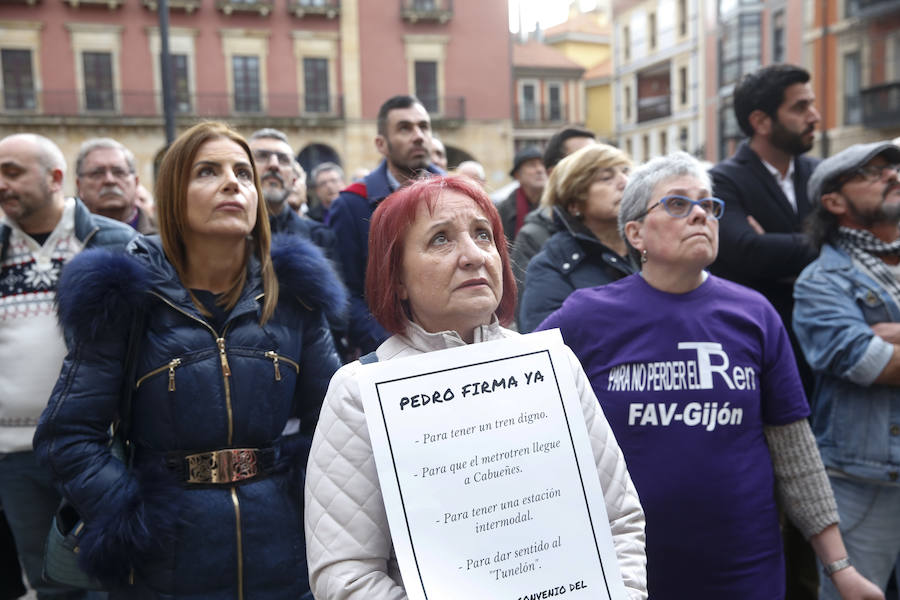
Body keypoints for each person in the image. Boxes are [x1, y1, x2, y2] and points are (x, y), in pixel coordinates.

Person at [537, 151, 883, 600]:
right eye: (678, 204)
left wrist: (841, 568)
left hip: (744, 564)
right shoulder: (588, 315)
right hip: (629, 568)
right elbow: (520, 396)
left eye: (707, 204)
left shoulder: (754, 313)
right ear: (635, 232)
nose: (700, 213)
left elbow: (795, 451)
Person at [33, 122, 345, 599]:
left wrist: (300, 499)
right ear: (172, 196)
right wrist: (132, 514)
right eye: (207, 171)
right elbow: (67, 437)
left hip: (283, 553)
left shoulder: (295, 296)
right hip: (170, 561)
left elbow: (337, 424)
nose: (232, 182)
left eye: (244, 173)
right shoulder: (124, 296)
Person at [304, 175, 647, 599]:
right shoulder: (359, 393)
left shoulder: (554, 368)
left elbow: (620, 520)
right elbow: (346, 574)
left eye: (483, 235)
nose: (473, 256)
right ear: (396, 279)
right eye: (441, 240)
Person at [0, 133, 136, 599]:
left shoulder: (111, 241)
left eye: (12, 171)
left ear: (55, 178)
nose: (2, 184)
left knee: (110, 577)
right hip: (13, 455)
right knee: (47, 581)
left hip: (97, 451)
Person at [708, 64, 823, 598]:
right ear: (760, 120)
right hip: (761, 368)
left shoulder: (816, 175)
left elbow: (763, 250)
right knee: (774, 508)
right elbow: (743, 252)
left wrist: (781, 248)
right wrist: (822, 243)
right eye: (800, 106)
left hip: (825, 368)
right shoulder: (726, 180)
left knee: (818, 507)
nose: (814, 115)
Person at [793, 141, 900, 599]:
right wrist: (879, 344)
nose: (892, 176)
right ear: (834, 202)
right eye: (871, 172)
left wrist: (888, 332)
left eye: (892, 167)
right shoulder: (819, 283)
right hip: (863, 481)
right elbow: (869, 363)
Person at [329, 94, 445, 356]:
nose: (418, 136)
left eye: (423, 126)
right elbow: (345, 293)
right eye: (405, 128)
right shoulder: (351, 205)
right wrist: (391, 346)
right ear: (381, 144)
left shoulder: (457, 196)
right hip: (387, 352)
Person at [518, 143, 634, 333]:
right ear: (574, 204)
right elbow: (546, 343)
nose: (624, 182)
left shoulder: (655, 248)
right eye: (606, 178)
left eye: (626, 172)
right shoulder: (550, 265)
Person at [511, 128, 597, 290]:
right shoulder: (532, 237)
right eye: (584, 161)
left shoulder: (622, 226)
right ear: (555, 173)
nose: (599, 168)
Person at [248, 128, 337, 261]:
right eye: (262, 156)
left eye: (283, 159)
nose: (274, 164)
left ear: (294, 179)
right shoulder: (224, 235)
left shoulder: (320, 238)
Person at [75, 137, 156, 234]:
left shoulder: (166, 238)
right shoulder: (62, 238)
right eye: (97, 173)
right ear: (79, 185)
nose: (109, 180)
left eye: (119, 172)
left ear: (136, 182)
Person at [497, 146, 547, 243]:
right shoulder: (504, 210)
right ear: (517, 175)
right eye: (532, 165)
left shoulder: (558, 203)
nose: (540, 170)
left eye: (542, 164)